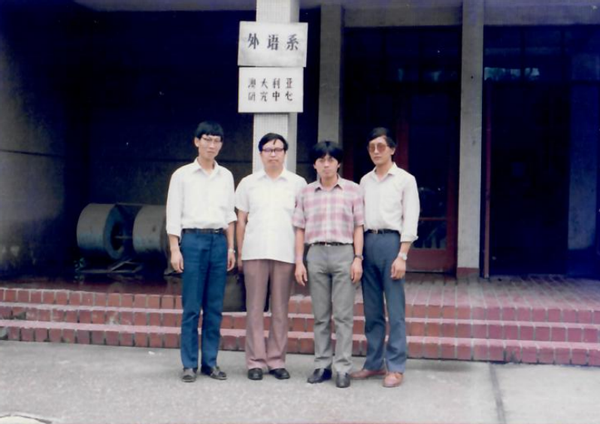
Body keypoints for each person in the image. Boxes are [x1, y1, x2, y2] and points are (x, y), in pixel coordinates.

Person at [165, 120, 236, 383]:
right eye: (207, 139)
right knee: (192, 307)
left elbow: (229, 215)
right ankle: (188, 364)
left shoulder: (226, 176)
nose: (211, 145)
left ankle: (210, 362)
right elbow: (173, 213)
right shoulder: (182, 175)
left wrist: (231, 248)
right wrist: (175, 249)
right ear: (197, 142)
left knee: (215, 307)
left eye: (216, 140)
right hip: (192, 241)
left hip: (219, 241)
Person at [351, 127, 420, 388]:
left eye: (381, 146)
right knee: (372, 309)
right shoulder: (365, 181)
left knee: (395, 309)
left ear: (392, 149)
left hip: (392, 243)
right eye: (372, 147)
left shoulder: (405, 180)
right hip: (368, 242)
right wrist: (358, 254)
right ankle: (373, 363)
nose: (376, 151)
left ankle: (396, 366)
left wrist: (402, 255)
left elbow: (410, 218)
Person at [235, 133, 307, 381]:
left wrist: (299, 257)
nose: (273, 154)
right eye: (268, 150)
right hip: (254, 251)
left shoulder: (298, 183)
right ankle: (255, 361)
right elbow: (241, 221)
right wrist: (240, 253)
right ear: (260, 154)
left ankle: (276, 360)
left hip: (285, 253)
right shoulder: (248, 183)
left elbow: (301, 224)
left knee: (280, 310)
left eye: (278, 149)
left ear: (285, 153)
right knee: (254, 309)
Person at [293, 141, 364, 389]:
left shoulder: (353, 190)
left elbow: (358, 227)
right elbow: (299, 229)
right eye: (321, 160)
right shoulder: (305, 193)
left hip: (344, 253)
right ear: (314, 164)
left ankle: (343, 368)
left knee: (343, 315)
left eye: (331, 160)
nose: (326, 165)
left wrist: (357, 258)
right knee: (320, 316)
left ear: (338, 163)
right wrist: (299, 261)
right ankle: (322, 365)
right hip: (316, 254)